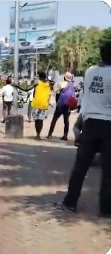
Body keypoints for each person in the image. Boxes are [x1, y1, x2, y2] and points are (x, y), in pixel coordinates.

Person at [56, 41, 111, 216]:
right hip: (108, 125)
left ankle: (70, 202)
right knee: (109, 170)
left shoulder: (90, 72)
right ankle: (106, 209)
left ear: (101, 55)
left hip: (90, 124)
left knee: (80, 166)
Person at [17, 72, 51, 140]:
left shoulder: (37, 83)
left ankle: (37, 135)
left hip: (36, 104)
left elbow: (27, 89)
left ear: (39, 77)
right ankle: (39, 134)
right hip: (44, 105)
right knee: (41, 120)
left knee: (36, 120)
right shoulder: (48, 84)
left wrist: (17, 86)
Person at [47, 72, 76, 141]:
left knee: (54, 119)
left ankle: (49, 134)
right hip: (68, 105)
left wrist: (57, 102)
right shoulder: (73, 85)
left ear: (64, 78)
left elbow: (56, 93)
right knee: (66, 121)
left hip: (61, 104)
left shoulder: (61, 84)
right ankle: (65, 136)